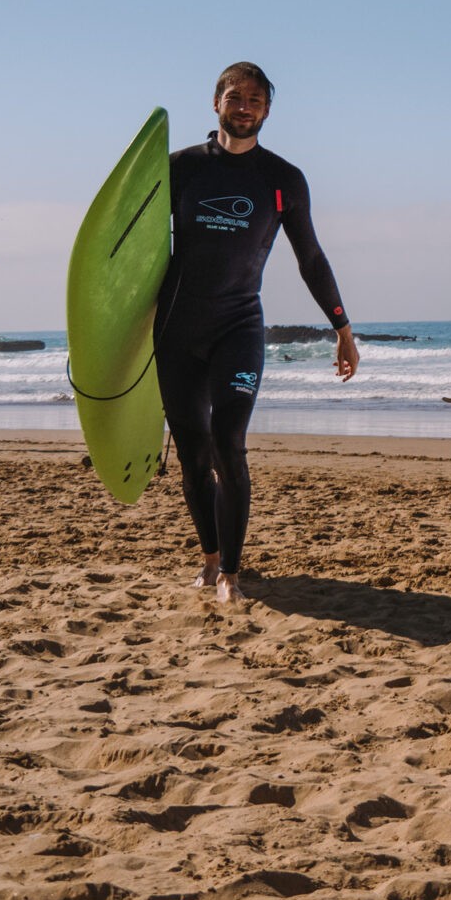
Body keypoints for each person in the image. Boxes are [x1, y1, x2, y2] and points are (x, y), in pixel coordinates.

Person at [156, 62, 359, 604]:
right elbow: (134, 253)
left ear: (267, 110)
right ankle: (208, 558)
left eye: (255, 99)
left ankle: (232, 573)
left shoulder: (282, 179)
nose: (244, 106)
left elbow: (310, 257)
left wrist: (342, 327)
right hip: (176, 330)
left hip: (239, 325)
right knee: (194, 454)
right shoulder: (178, 169)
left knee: (228, 444)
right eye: (234, 96)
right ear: (215, 102)